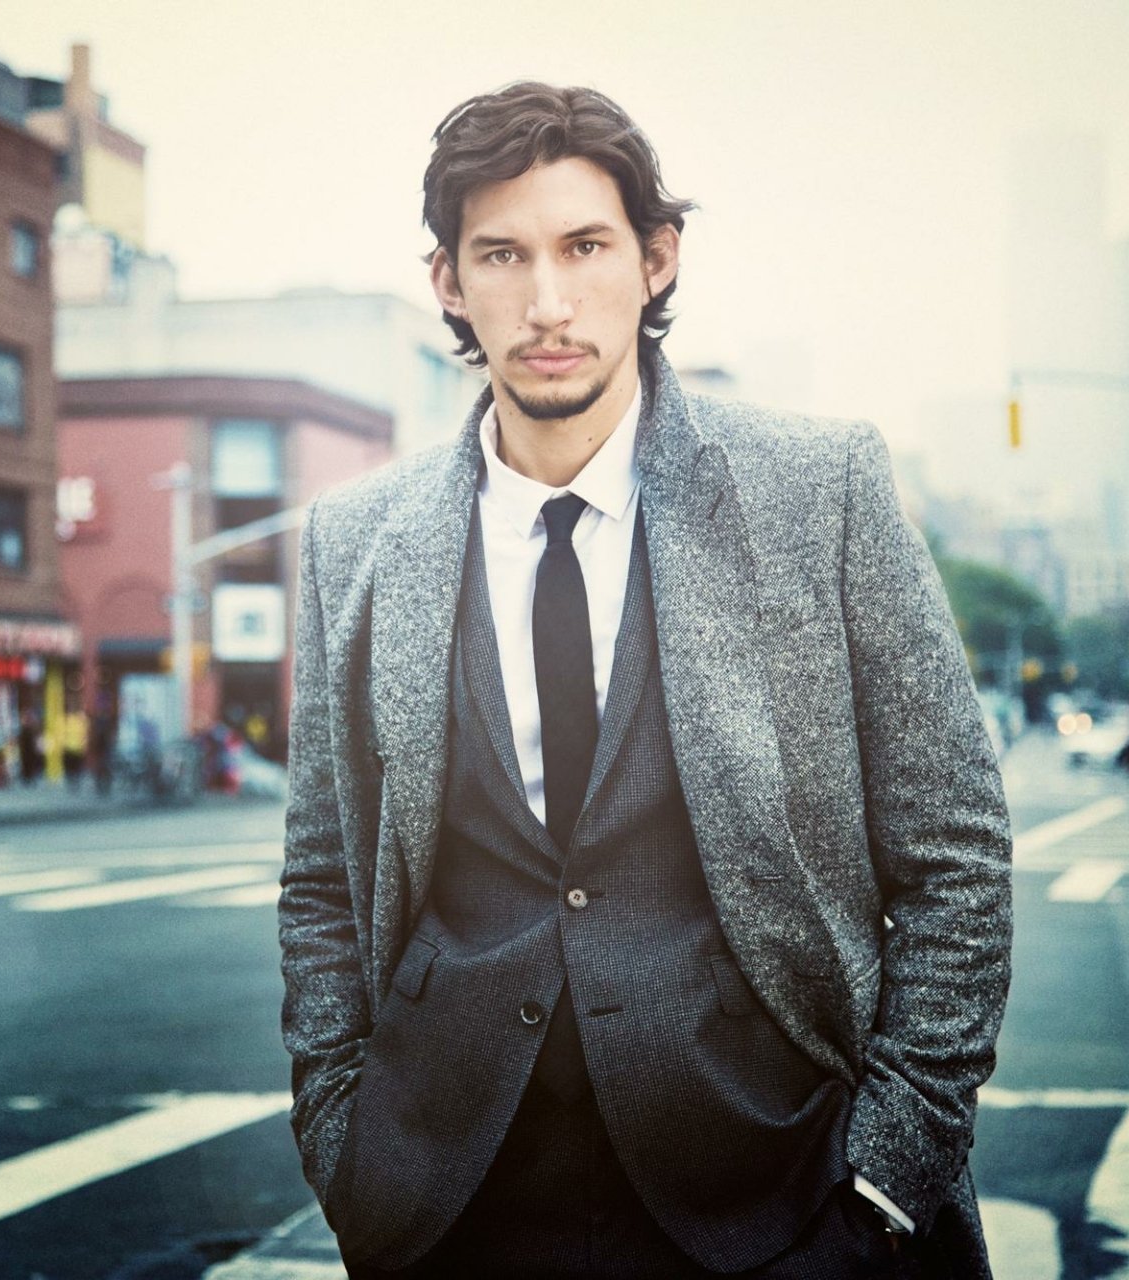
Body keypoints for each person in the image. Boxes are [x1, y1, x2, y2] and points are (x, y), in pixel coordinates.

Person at [277, 83, 1012, 1279]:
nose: (547, 302)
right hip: (449, 1200)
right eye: (502, 255)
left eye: (585, 246)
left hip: (783, 1194)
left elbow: (957, 853)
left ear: (656, 259)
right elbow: (321, 875)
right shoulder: (356, 539)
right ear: (448, 282)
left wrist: (886, 1174)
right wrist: (342, 1138)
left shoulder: (818, 489)